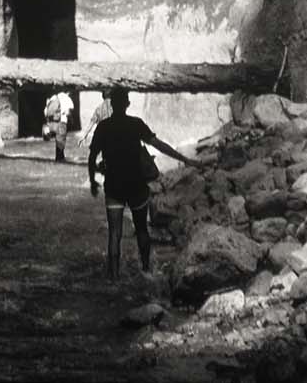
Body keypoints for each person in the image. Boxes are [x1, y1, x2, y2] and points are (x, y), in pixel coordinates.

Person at [88, 89, 194, 280]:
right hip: (136, 185)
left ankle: (113, 277)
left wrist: (92, 181)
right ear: (127, 104)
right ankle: (146, 270)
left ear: (112, 104)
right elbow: (159, 145)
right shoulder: (136, 124)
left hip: (113, 186)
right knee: (142, 229)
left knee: (114, 234)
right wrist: (184, 159)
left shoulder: (103, 127)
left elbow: (92, 156)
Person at [43, 88, 73, 163]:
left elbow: (45, 111)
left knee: (58, 140)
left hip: (53, 122)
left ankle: (59, 158)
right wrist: (71, 119)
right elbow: (68, 112)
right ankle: (60, 158)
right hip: (62, 121)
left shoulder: (53, 97)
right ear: (68, 92)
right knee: (61, 140)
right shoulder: (66, 98)